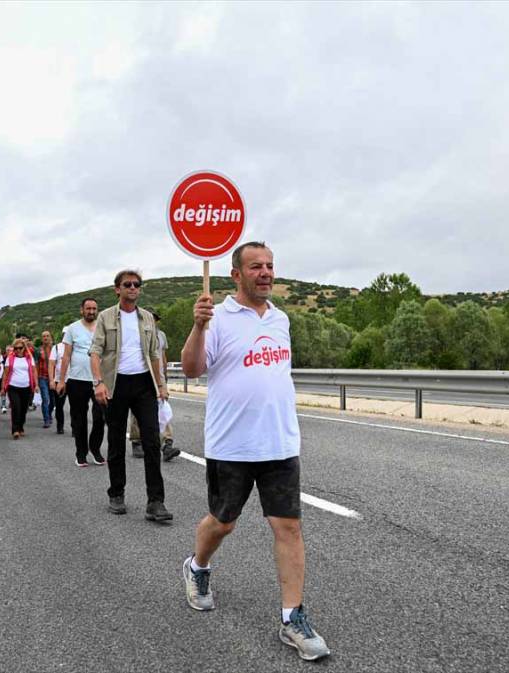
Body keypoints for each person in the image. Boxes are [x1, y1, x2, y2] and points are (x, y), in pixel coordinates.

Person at [179, 242, 330, 661]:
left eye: (269, 266)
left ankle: (292, 618)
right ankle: (198, 567)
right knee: (222, 523)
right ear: (236, 274)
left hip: (280, 442)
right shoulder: (217, 317)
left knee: (288, 527)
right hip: (231, 444)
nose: (265, 273)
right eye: (255, 267)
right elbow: (191, 368)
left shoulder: (280, 319)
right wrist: (197, 327)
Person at [90, 270, 172, 521]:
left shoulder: (147, 318)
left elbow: (155, 354)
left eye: (137, 284)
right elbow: (95, 352)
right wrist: (99, 383)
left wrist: (161, 384)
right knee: (115, 442)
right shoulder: (105, 317)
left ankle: (156, 502)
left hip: (143, 384)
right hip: (116, 384)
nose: (133, 288)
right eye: (128, 284)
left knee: (152, 442)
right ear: (117, 289)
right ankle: (116, 494)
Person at [56, 298, 106, 468]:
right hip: (77, 380)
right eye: (88, 308)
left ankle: (95, 448)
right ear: (82, 310)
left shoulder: (102, 326)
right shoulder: (72, 328)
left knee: (100, 417)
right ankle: (81, 452)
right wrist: (61, 380)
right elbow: (66, 356)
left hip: (99, 380)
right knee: (80, 419)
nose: (91, 311)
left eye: (94, 308)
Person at [130, 311, 179, 461]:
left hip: (159, 378)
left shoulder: (161, 335)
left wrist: (164, 379)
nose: (153, 321)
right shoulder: (135, 333)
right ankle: (137, 441)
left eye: (155, 319)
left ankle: (167, 444)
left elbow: (163, 357)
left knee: (163, 410)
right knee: (138, 410)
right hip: (141, 376)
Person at [2, 337, 37, 439]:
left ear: (24, 348)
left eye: (20, 348)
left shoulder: (29, 358)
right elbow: (5, 373)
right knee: (16, 408)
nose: (17, 350)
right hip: (13, 387)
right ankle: (15, 430)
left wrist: (36, 385)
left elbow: (34, 371)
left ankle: (21, 426)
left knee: (23, 409)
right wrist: (3, 387)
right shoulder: (10, 358)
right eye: (15, 348)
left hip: (26, 387)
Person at [47, 332, 67, 434]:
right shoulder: (56, 348)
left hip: (73, 380)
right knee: (59, 405)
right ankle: (60, 426)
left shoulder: (76, 348)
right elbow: (51, 364)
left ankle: (75, 428)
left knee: (76, 406)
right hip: (59, 380)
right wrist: (51, 380)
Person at [35, 331, 56, 429]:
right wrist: (36, 382)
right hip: (42, 377)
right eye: (43, 336)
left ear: (51, 337)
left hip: (53, 377)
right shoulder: (39, 350)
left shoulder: (55, 349)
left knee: (53, 400)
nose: (45, 338)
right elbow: (35, 365)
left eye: (47, 336)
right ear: (41, 338)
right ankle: (46, 419)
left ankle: (49, 413)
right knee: (45, 399)